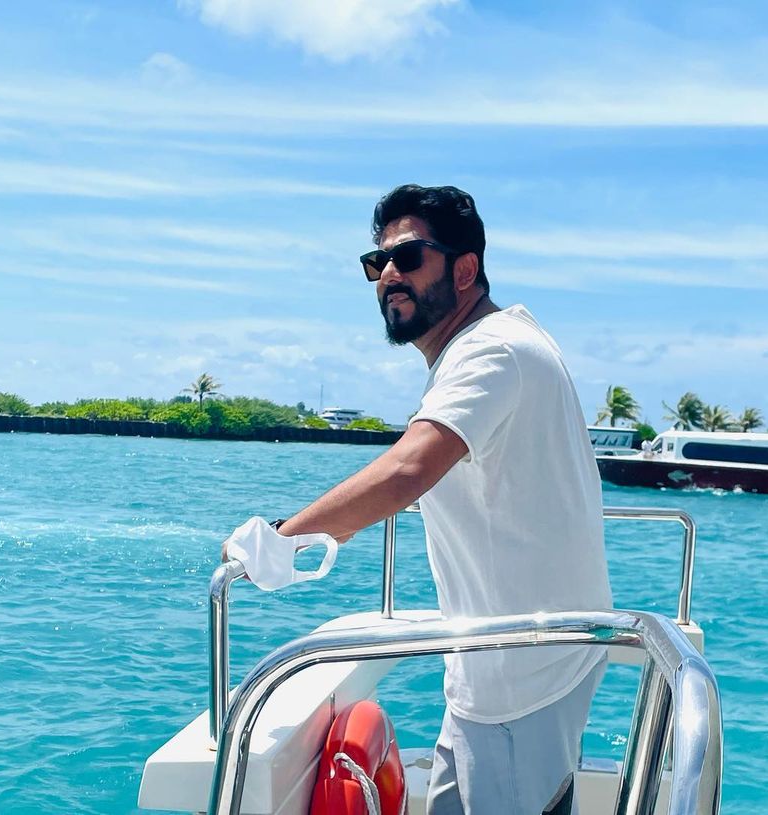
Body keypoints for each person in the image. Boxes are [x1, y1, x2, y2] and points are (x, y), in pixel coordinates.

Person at [231, 184, 612, 814]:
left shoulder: (491, 351)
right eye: (376, 263)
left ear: (465, 270)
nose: (387, 276)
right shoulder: (496, 343)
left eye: (409, 259)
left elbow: (409, 467)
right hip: (497, 661)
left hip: (522, 670)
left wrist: (281, 540)